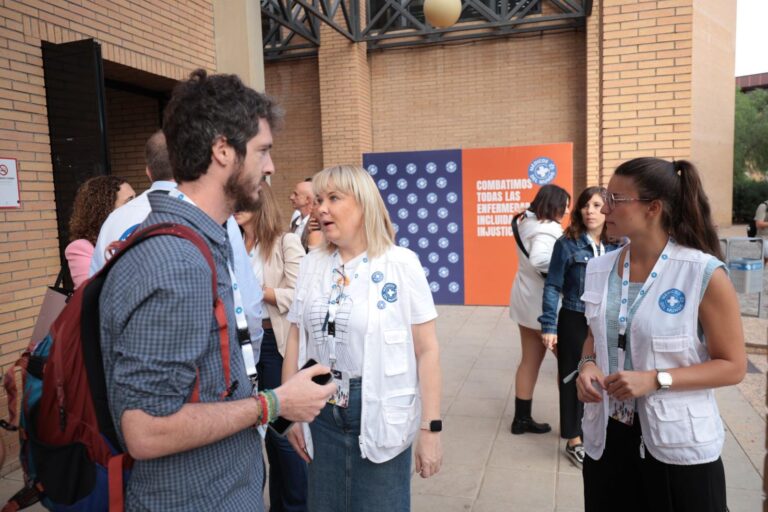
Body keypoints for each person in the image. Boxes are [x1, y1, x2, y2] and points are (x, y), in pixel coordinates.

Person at [98, 70, 335, 511]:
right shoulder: (175, 260)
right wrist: (275, 403)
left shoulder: (202, 240)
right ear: (223, 150)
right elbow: (146, 429)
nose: (271, 167)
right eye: (263, 151)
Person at [575, 158, 746, 512]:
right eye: (606, 196)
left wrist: (655, 379)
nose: (604, 207)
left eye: (616, 199)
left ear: (653, 208)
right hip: (608, 439)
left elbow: (733, 366)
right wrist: (588, 364)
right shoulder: (598, 268)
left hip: (677, 446)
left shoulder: (702, 273)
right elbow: (595, 333)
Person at [282, 165, 443, 512]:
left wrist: (431, 430)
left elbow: (427, 350)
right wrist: (289, 413)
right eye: (319, 199)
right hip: (319, 411)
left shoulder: (402, 264)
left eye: (334, 198)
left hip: (378, 410)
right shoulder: (313, 264)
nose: (321, 208)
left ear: (365, 205)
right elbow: (295, 337)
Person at [234, 183, 308, 512]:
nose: (235, 207)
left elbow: (301, 294)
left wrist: (258, 292)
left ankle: (295, 505)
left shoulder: (285, 242)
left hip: (274, 346)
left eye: (243, 201)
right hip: (243, 348)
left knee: (282, 431)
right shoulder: (231, 243)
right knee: (254, 431)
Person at [539, 186, 617, 466]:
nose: (590, 211)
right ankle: (574, 438)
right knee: (572, 377)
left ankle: (599, 428)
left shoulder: (618, 244)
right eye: (586, 205)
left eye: (597, 205)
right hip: (574, 318)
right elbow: (552, 286)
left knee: (605, 373)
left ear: (608, 209)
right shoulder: (567, 243)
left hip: (606, 319)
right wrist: (548, 324)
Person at [508, 184, 570, 435]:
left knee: (529, 361)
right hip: (547, 307)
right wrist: (567, 272)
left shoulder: (526, 222)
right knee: (569, 365)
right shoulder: (548, 229)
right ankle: (572, 425)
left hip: (525, 301)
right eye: (566, 204)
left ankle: (521, 420)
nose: (568, 209)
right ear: (555, 204)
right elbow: (539, 260)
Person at [65, 175, 135, 288]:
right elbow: (90, 292)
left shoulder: (136, 234)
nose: (136, 205)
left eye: (135, 198)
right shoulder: (81, 248)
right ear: (106, 209)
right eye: (129, 201)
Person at [289, 178, 314, 247]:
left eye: (296, 194)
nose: (291, 197)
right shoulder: (295, 221)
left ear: (307, 200)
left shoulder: (315, 224)